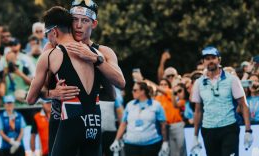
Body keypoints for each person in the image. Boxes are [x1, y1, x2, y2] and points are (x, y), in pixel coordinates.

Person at [43, 1, 126, 155]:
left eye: (85, 20)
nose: (78, 25)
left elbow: (120, 84)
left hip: (89, 122)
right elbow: (39, 90)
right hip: (61, 123)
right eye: (75, 19)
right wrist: (54, 93)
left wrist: (95, 59)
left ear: (93, 24)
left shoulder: (103, 52)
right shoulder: (52, 47)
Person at [26, 6, 104, 156]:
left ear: (54, 32)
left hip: (72, 122)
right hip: (95, 122)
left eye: (46, 35)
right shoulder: (96, 54)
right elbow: (113, 91)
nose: (46, 40)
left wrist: (51, 93)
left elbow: (30, 98)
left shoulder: (51, 55)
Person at [191, 46, 253, 156]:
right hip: (208, 130)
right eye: (207, 58)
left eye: (213, 58)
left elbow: (243, 105)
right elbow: (198, 110)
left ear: (219, 60)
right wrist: (195, 136)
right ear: (203, 62)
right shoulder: (198, 83)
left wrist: (248, 131)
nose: (210, 61)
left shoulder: (232, 79)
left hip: (229, 128)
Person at [110, 81, 168, 156]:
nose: (132, 92)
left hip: (151, 145)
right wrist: (116, 140)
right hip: (131, 144)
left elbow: (163, 125)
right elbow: (123, 124)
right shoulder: (130, 105)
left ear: (142, 91)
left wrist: (165, 142)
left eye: (135, 90)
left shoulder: (156, 105)